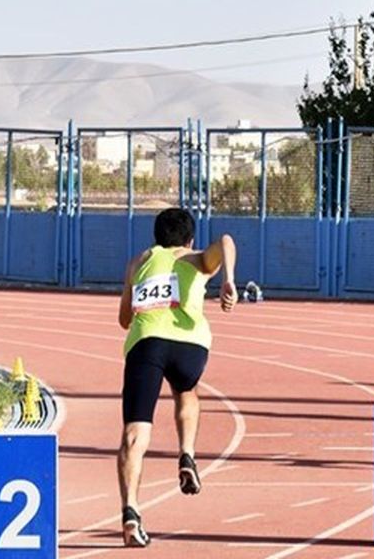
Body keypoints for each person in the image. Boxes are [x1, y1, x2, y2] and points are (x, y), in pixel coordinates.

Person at [117, 208, 238, 547]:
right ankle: (187, 454)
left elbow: (124, 320)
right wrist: (228, 279)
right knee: (186, 391)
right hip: (190, 346)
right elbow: (226, 240)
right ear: (190, 239)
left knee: (134, 432)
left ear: (156, 238)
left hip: (146, 344)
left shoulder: (138, 262)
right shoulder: (196, 259)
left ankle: (130, 511)